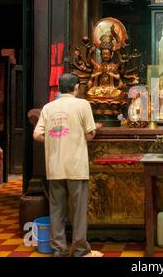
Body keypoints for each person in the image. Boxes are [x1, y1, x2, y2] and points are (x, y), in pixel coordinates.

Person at [33, 73, 104, 257]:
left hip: (54, 167)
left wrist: (55, 138)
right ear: (76, 87)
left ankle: (59, 251)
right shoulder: (83, 104)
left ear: (58, 88)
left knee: (56, 211)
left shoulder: (48, 108)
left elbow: (37, 135)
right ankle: (80, 250)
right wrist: (92, 130)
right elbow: (89, 134)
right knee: (79, 211)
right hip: (76, 167)